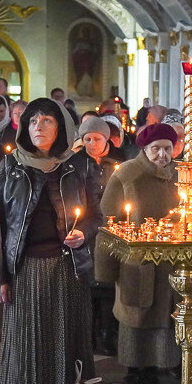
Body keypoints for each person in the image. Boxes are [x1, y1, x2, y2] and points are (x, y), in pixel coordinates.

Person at [0, 98, 101, 384]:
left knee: (59, 350)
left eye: (48, 120)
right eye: (33, 120)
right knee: (28, 352)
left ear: (61, 127)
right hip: (24, 270)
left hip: (65, 269)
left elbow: (94, 215)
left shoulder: (78, 165)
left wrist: (83, 234)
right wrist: (1, 276)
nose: (39, 126)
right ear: (24, 126)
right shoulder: (10, 166)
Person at [97, 123, 182, 384]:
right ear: (144, 149)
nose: (162, 155)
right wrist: (106, 268)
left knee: (163, 320)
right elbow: (110, 219)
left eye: (167, 149)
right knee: (136, 317)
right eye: (155, 149)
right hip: (137, 262)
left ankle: (155, 373)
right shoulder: (128, 173)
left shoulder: (179, 175)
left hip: (170, 262)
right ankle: (135, 372)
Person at [77, 115, 119, 356]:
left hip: (108, 232)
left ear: (107, 142)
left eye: (97, 139)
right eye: (87, 139)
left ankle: (107, 333)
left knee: (106, 285)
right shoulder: (75, 165)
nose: (92, 143)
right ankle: (88, 335)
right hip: (85, 231)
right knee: (88, 286)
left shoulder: (114, 166)